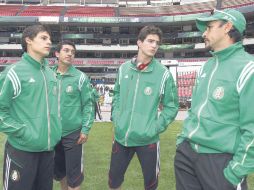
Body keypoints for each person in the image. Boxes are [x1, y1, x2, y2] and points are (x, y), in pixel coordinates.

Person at [174, 9, 254, 190]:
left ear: (227, 27)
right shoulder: (206, 67)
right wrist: (182, 142)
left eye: (209, 27)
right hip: (187, 155)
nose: (204, 33)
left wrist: (235, 172)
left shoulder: (248, 69)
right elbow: (194, 111)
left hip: (220, 161)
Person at [108, 25, 179, 190]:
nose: (154, 45)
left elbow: (172, 106)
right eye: (150, 41)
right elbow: (116, 94)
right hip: (121, 137)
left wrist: (155, 127)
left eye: (157, 43)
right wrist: (117, 118)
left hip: (148, 139)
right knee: (113, 182)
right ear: (139, 42)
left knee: (151, 184)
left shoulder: (163, 74)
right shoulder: (123, 68)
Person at [0, 25, 61, 190]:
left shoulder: (50, 74)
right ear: (28, 40)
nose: (49, 42)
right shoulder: (14, 72)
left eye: (50, 39)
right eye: (43, 38)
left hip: (47, 151)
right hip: (22, 151)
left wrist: (56, 131)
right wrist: (22, 132)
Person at [52, 40, 94, 190]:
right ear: (57, 53)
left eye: (73, 52)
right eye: (66, 50)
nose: (70, 54)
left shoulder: (80, 77)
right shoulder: (48, 75)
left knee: (74, 177)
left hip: (73, 134)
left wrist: (85, 129)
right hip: (52, 133)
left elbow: (88, 104)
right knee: (60, 173)